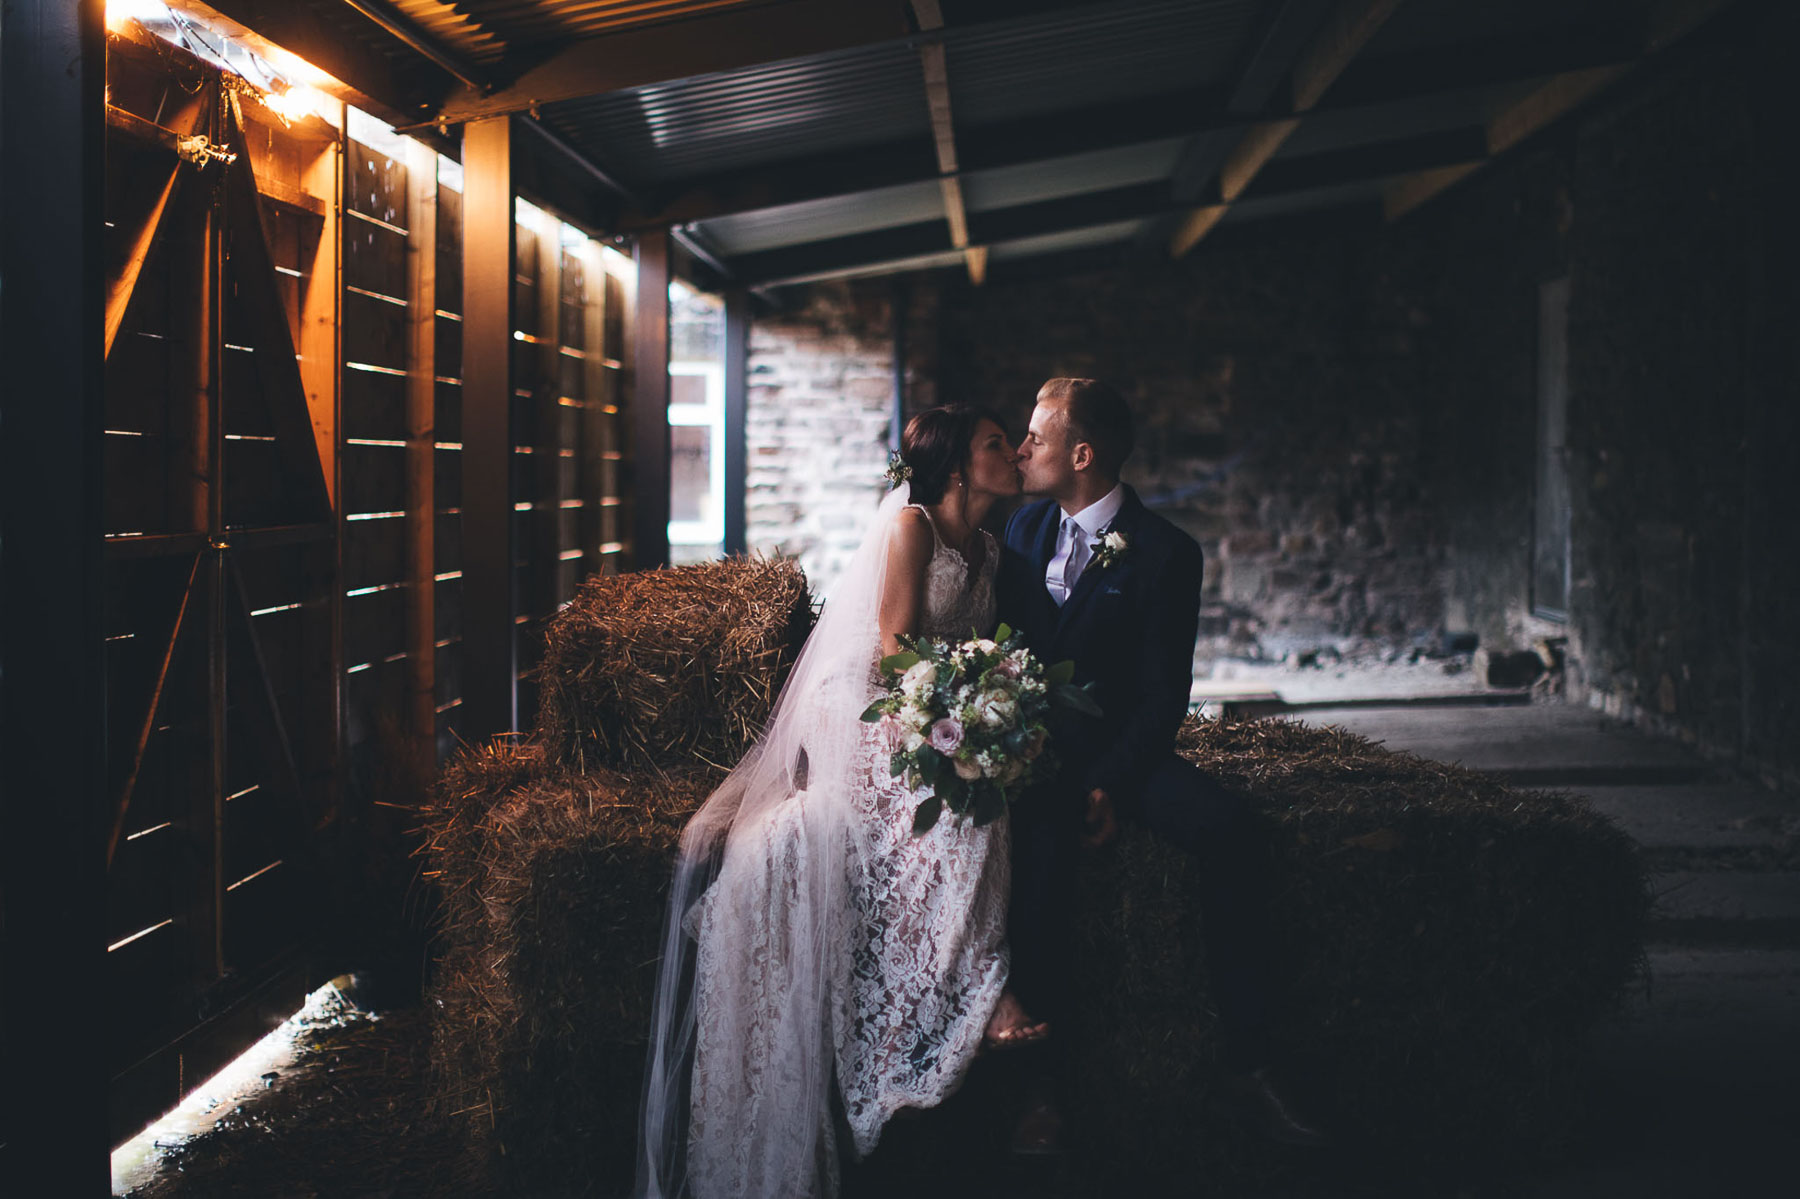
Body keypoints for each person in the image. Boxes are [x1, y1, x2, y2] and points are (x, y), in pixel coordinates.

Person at [635, 405, 1044, 1199]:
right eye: (999, 444)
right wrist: (944, 719)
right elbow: (893, 643)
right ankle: (985, 990)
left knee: (983, 796)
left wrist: (981, 705)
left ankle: (968, 986)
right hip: (865, 701)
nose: (1015, 454)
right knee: (955, 794)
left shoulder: (990, 547)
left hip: (934, 697)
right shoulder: (914, 527)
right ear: (961, 466)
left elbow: (967, 646)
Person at [998, 377, 1328, 1152]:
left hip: (1124, 753)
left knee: (1233, 831)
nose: (1021, 450)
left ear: (1082, 454)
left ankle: (1250, 1066)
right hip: (1029, 759)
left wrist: (1112, 779)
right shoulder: (1018, 530)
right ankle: (1037, 1091)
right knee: (1037, 864)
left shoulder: (1167, 552)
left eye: (1035, 438)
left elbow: (1162, 693)